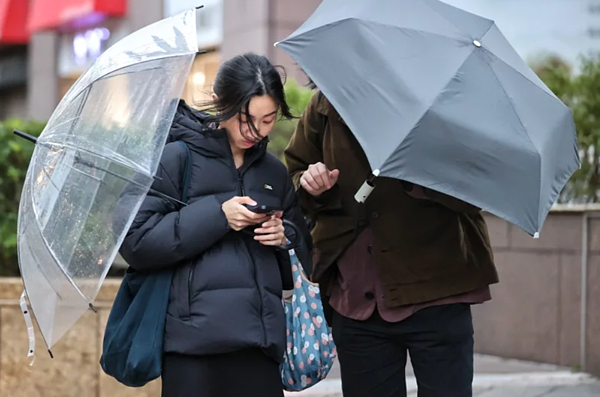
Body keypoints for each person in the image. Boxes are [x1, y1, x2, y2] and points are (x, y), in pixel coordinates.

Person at [119, 53, 312, 397]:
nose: (256, 131)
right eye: (245, 119)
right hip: (192, 350)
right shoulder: (176, 158)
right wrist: (219, 215)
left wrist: (284, 238)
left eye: (268, 120)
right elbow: (136, 241)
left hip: (259, 347)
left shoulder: (273, 171)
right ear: (222, 103)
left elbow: (301, 261)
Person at [284, 90, 499, 397]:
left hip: (438, 291)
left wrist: (419, 174)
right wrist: (311, 184)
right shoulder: (327, 102)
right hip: (355, 297)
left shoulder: (444, 101)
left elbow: (478, 188)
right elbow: (293, 174)